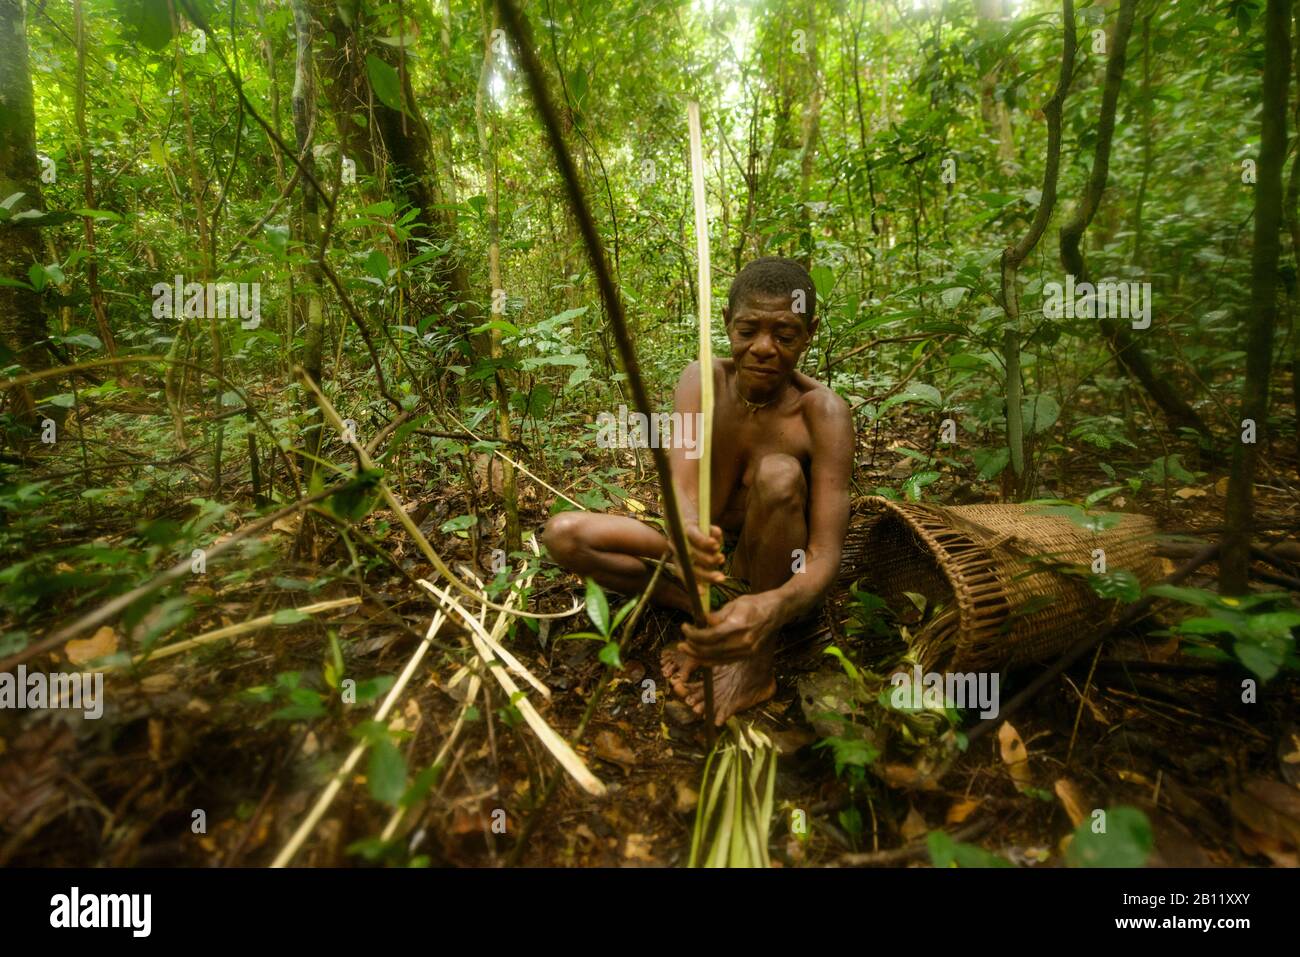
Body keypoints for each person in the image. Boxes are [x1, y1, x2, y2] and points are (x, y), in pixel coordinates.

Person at [542, 257, 854, 725]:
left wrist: (776, 604)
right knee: (564, 534)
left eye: (785, 335)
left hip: (766, 567)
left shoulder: (823, 413)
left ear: (809, 332)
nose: (764, 348)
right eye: (749, 330)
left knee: (780, 474)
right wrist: (688, 532)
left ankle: (754, 657)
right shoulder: (702, 381)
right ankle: (709, 618)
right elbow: (681, 485)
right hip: (699, 560)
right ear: (727, 323)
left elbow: (826, 552)